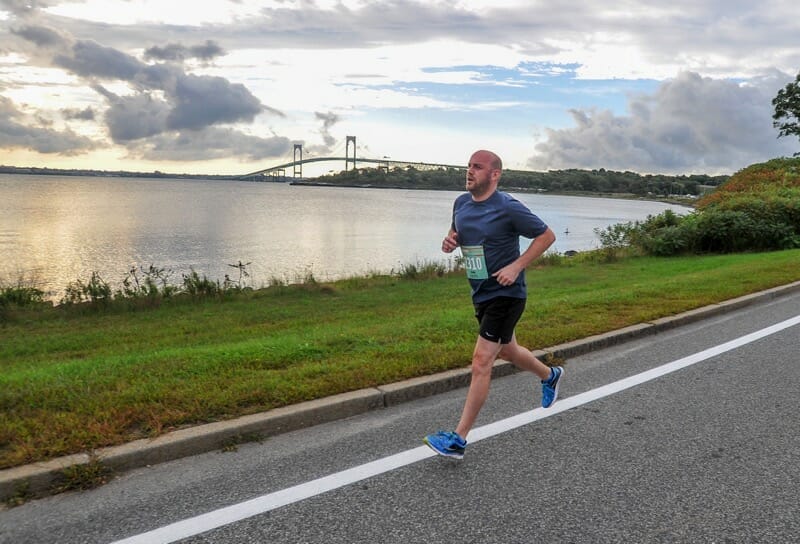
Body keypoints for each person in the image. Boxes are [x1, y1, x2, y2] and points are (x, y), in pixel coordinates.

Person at [423, 149, 563, 459]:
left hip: (507, 294)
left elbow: (547, 236)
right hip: (481, 292)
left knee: (481, 360)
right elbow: (458, 231)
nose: (469, 171)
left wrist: (516, 267)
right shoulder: (460, 203)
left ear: (495, 174)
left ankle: (458, 440)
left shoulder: (509, 207)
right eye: (468, 166)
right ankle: (549, 375)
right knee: (509, 350)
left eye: (477, 167)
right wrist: (451, 241)